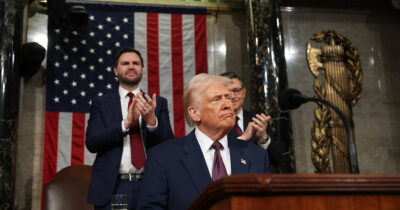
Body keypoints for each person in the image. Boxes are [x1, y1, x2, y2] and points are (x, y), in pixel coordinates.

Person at [136, 74, 270, 210]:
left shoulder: (257, 156)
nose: (227, 105)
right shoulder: (163, 157)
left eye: (228, 98)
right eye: (216, 99)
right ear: (195, 113)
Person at [85, 47, 174, 209]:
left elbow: (169, 145)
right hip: (115, 185)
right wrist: (126, 123)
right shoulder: (101, 103)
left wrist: (152, 122)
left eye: (136, 63)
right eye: (125, 63)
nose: (131, 66)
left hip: (151, 183)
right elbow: (92, 142)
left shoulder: (157, 103)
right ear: (115, 70)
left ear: (141, 69)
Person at [220, 72, 283, 166]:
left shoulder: (257, 119)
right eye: (228, 92)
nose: (233, 96)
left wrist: (263, 139)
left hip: (259, 179)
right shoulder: (213, 123)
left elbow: (276, 159)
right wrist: (242, 139)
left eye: (236, 90)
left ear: (244, 92)